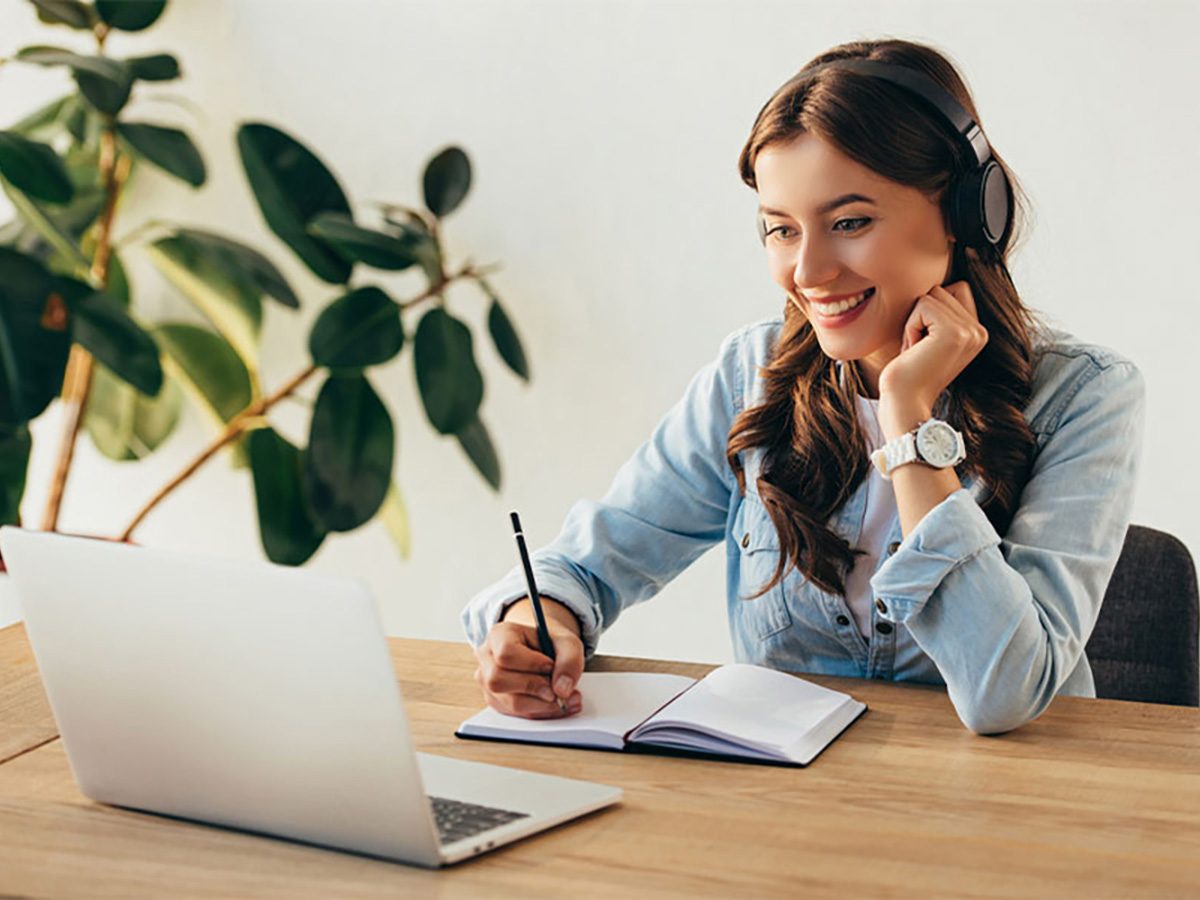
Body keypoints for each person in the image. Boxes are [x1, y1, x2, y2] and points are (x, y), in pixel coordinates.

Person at [461, 38, 1145, 735]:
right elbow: (591, 560)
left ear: (968, 214)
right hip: (792, 810)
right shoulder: (748, 375)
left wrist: (909, 422)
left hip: (1017, 813)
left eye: (849, 223)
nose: (809, 271)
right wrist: (536, 619)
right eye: (781, 231)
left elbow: (1006, 692)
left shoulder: (1085, 398)